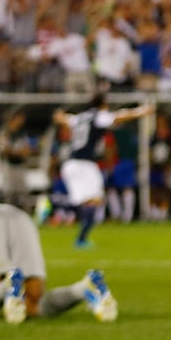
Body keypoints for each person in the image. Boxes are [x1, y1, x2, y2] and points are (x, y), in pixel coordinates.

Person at [51, 92, 153, 247]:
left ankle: (74, 227)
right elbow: (120, 116)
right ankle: (80, 238)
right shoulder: (99, 116)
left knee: (87, 201)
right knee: (94, 200)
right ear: (103, 104)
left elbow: (61, 118)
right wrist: (141, 112)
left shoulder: (80, 118)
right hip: (84, 164)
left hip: (70, 164)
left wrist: (58, 114)